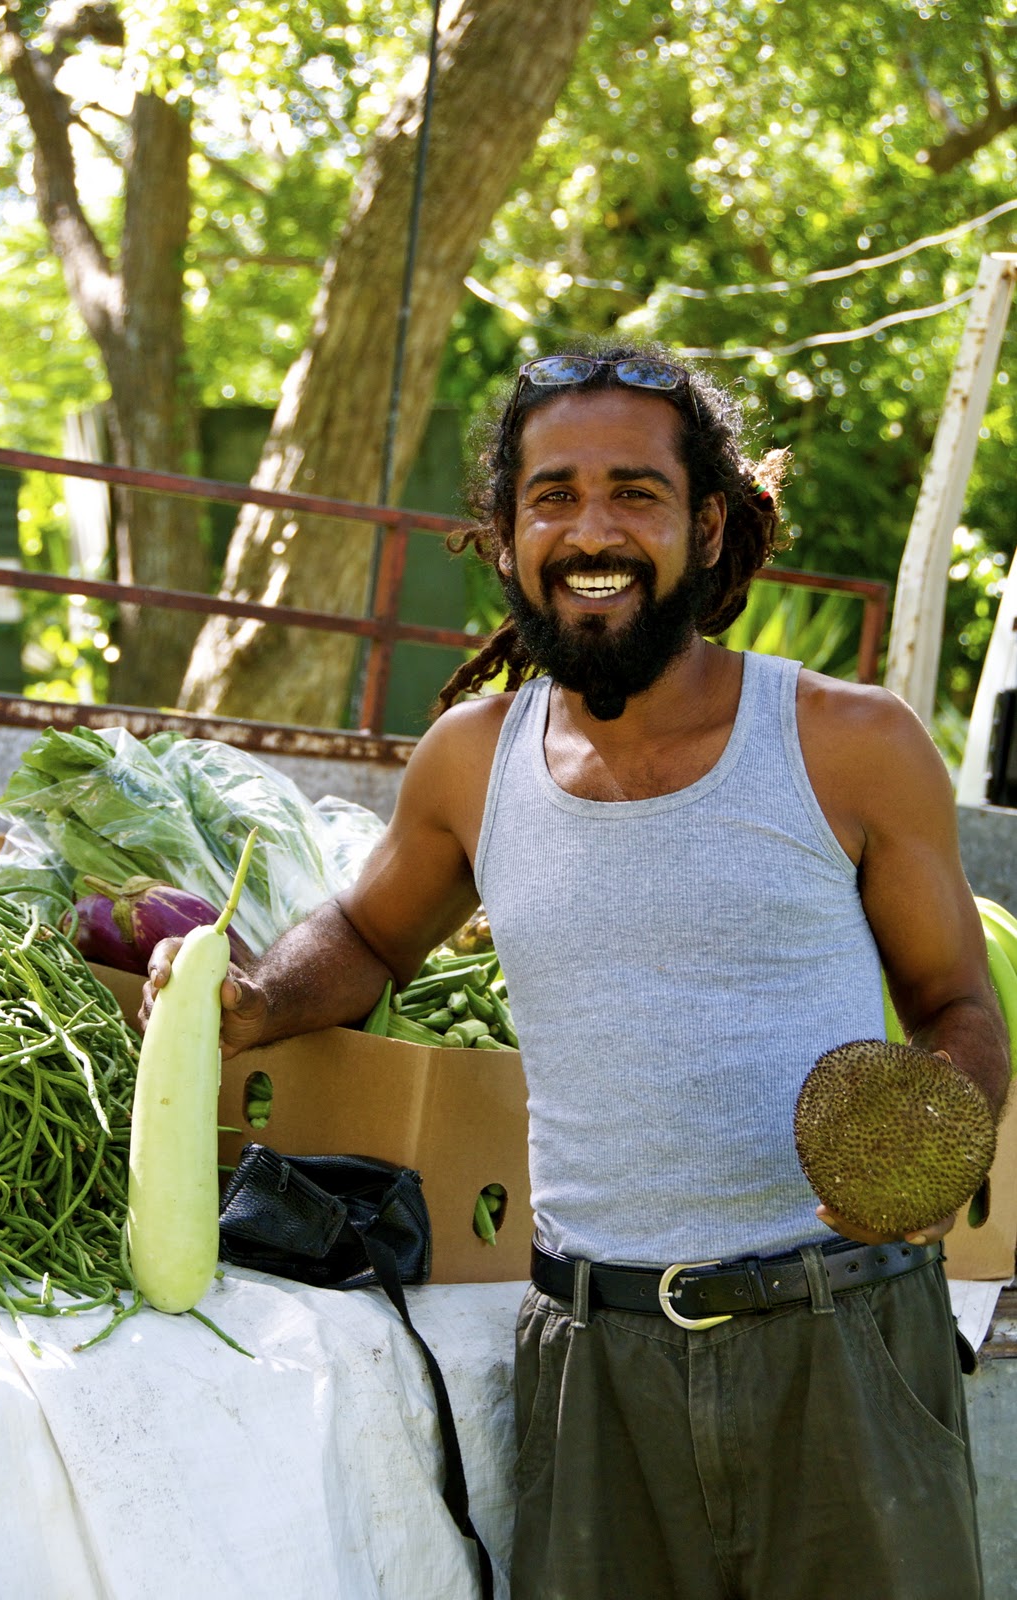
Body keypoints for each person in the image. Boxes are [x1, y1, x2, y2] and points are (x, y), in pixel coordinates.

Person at [143, 343, 1010, 1600]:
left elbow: (954, 1006)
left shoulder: (848, 743)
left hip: (841, 1347)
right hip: (593, 1362)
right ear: (503, 536)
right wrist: (257, 995)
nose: (590, 528)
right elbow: (373, 936)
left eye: (634, 493)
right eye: (551, 495)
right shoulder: (468, 762)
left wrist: (939, 1132)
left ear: (707, 528)